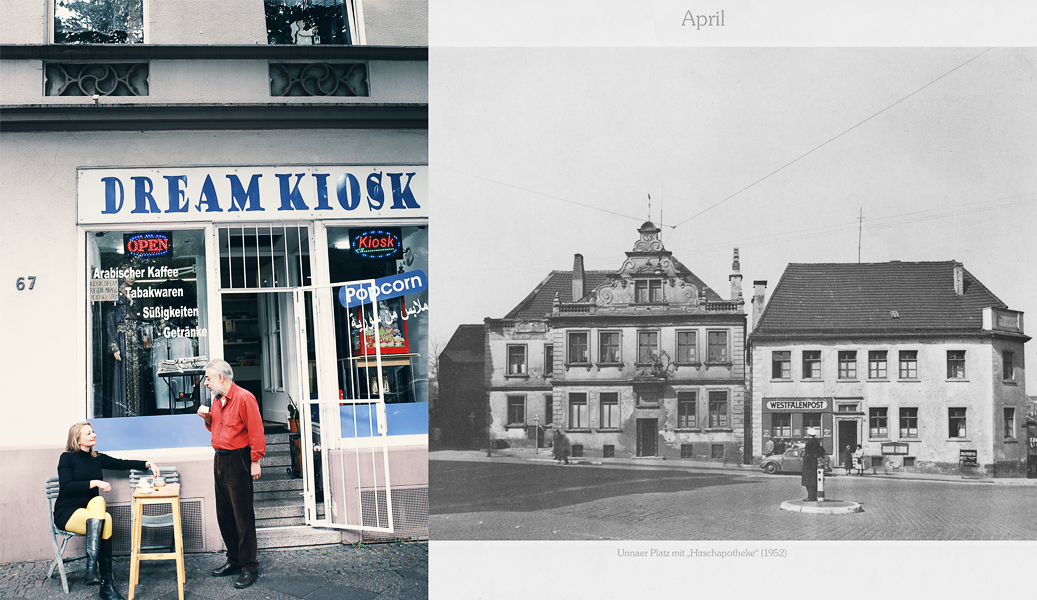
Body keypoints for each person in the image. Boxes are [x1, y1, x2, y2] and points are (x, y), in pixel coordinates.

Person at [54, 422, 159, 600]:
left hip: (90, 510)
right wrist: (96, 483)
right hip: (68, 511)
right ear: (78, 440)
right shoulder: (67, 458)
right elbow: (66, 486)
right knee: (105, 519)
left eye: (93, 432)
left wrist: (148, 463)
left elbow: (122, 464)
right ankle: (106, 585)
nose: (93, 435)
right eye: (88, 433)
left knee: (100, 503)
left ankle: (94, 572)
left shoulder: (97, 457)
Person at [197, 359, 265, 589]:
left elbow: (256, 429)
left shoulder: (245, 398)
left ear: (221, 377)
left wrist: (255, 461)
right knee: (224, 514)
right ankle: (234, 560)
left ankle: (249, 566)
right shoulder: (217, 400)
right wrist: (207, 418)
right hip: (220, 460)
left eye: (208, 378)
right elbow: (216, 425)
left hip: (239, 461)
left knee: (242, 516)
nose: (205, 382)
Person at [801, 428, 827, 502]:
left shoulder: (809, 443)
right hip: (815, 462)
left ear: (809, 435)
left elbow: (807, 453)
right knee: (814, 479)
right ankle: (814, 496)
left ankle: (810, 497)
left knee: (808, 480)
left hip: (809, 463)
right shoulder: (817, 442)